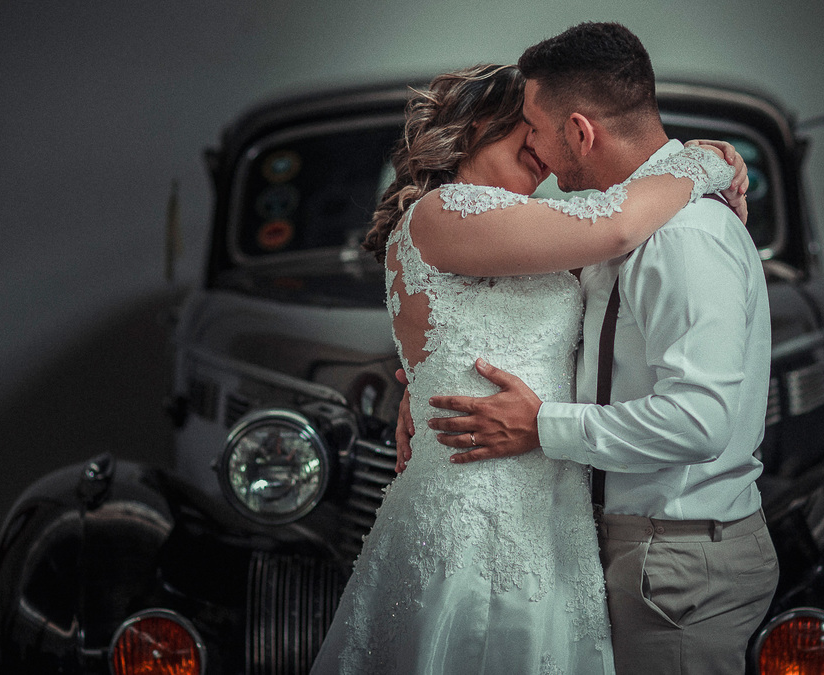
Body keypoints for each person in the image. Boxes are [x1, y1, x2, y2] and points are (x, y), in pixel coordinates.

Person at [308, 61, 745, 674]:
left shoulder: (523, 227)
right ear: (478, 124)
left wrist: (425, 382)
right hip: (473, 505)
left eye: (542, 130)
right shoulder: (443, 212)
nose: (542, 148)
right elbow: (619, 224)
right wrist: (705, 163)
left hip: (555, 515)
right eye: (528, 126)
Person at [424, 23, 778, 675]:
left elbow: (701, 421)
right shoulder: (618, 224)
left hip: (677, 558)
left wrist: (541, 426)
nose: (531, 143)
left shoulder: (680, 239)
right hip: (623, 545)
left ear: (580, 132)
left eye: (533, 125)